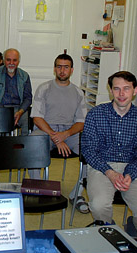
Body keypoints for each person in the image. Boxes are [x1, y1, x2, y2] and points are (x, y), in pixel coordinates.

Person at [81, 71, 137, 242]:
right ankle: (110, 233)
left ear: (135, 90)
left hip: (132, 168)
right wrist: (110, 172)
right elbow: (88, 149)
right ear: (110, 90)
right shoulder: (96, 114)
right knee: (98, 206)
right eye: (116, 89)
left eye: (126, 89)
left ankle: (134, 229)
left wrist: (130, 173)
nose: (121, 94)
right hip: (102, 166)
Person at [28, 53, 89, 213]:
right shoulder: (44, 88)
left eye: (66, 67)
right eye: (59, 67)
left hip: (69, 133)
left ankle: (77, 194)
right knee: (32, 144)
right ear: (55, 69)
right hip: (46, 130)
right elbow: (37, 118)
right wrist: (56, 136)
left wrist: (65, 135)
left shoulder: (78, 93)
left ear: (72, 70)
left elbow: (81, 122)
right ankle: (37, 189)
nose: (62, 70)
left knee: (90, 150)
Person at [0, 48, 32, 135]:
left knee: (25, 124)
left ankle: (24, 147)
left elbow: (28, 98)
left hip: (19, 109)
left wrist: (20, 111)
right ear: (3, 60)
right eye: (8, 60)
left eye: (14, 60)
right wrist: (4, 111)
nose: (11, 63)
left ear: (18, 61)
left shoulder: (24, 75)